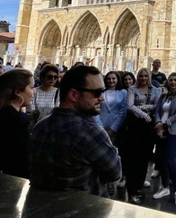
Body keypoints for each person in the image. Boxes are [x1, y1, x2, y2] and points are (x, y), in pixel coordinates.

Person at [29, 65, 121, 196]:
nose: (102, 98)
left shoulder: (40, 126)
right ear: (73, 95)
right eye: (97, 93)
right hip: (81, 211)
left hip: (38, 208)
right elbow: (115, 173)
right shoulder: (89, 132)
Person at [120, 67, 162, 203]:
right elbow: (129, 106)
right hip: (135, 127)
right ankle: (131, 189)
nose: (143, 78)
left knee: (145, 159)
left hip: (148, 129)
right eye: (141, 76)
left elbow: (156, 106)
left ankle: (138, 187)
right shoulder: (132, 89)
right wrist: (145, 114)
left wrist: (141, 108)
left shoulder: (155, 90)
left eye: (145, 76)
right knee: (133, 158)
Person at [153, 72, 176, 207]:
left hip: (173, 131)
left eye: (175, 80)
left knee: (171, 160)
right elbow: (157, 112)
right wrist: (158, 123)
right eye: (171, 80)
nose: (173, 82)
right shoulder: (163, 96)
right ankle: (165, 187)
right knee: (161, 159)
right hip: (161, 130)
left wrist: (164, 124)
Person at [98, 71, 128, 143]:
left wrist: (113, 129)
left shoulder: (123, 92)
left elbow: (122, 112)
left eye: (113, 78)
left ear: (117, 79)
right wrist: (99, 126)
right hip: (100, 125)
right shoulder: (100, 92)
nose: (111, 81)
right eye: (109, 79)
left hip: (114, 126)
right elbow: (96, 109)